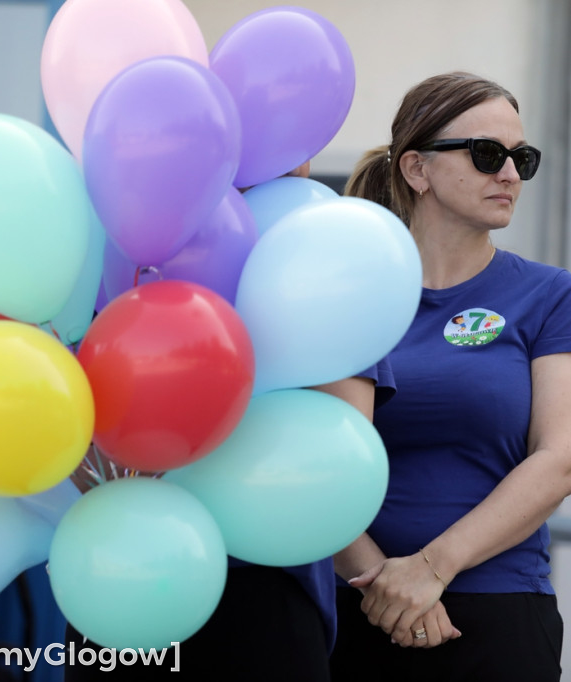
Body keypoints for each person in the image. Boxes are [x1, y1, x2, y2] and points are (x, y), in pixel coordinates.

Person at [329, 71, 571, 682]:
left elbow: (559, 463)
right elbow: (321, 461)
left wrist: (429, 571)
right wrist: (383, 587)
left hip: (498, 612)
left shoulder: (550, 296)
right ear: (417, 169)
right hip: (357, 605)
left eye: (522, 158)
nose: (509, 174)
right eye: (487, 154)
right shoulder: (354, 296)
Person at [63, 162, 394, 680]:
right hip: (118, 566)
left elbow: (342, 447)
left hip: (261, 578)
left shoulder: (317, 260)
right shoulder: (110, 246)